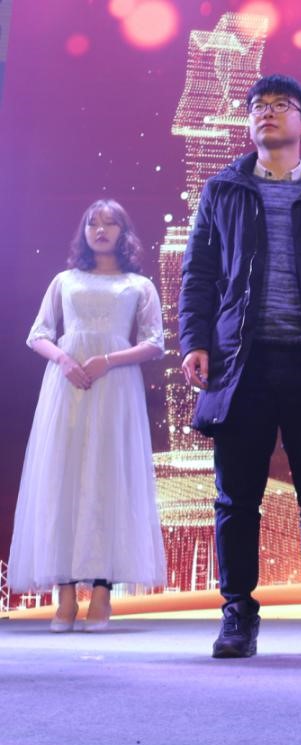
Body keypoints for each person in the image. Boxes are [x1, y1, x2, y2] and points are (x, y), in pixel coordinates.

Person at [179, 74, 301, 658]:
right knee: (235, 498)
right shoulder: (223, 189)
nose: (266, 113)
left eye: (280, 105)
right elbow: (199, 273)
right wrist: (194, 341)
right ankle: (237, 614)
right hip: (241, 362)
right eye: (257, 106)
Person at [7, 199, 167, 632]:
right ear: (83, 231)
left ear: (123, 233)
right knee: (62, 477)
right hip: (66, 387)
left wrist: (108, 360)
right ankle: (64, 595)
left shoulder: (139, 285)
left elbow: (155, 342)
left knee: (107, 479)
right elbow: (38, 333)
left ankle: (101, 593)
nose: (100, 230)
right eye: (93, 223)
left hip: (115, 388)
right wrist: (63, 360)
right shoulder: (64, 281)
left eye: (110, 223)